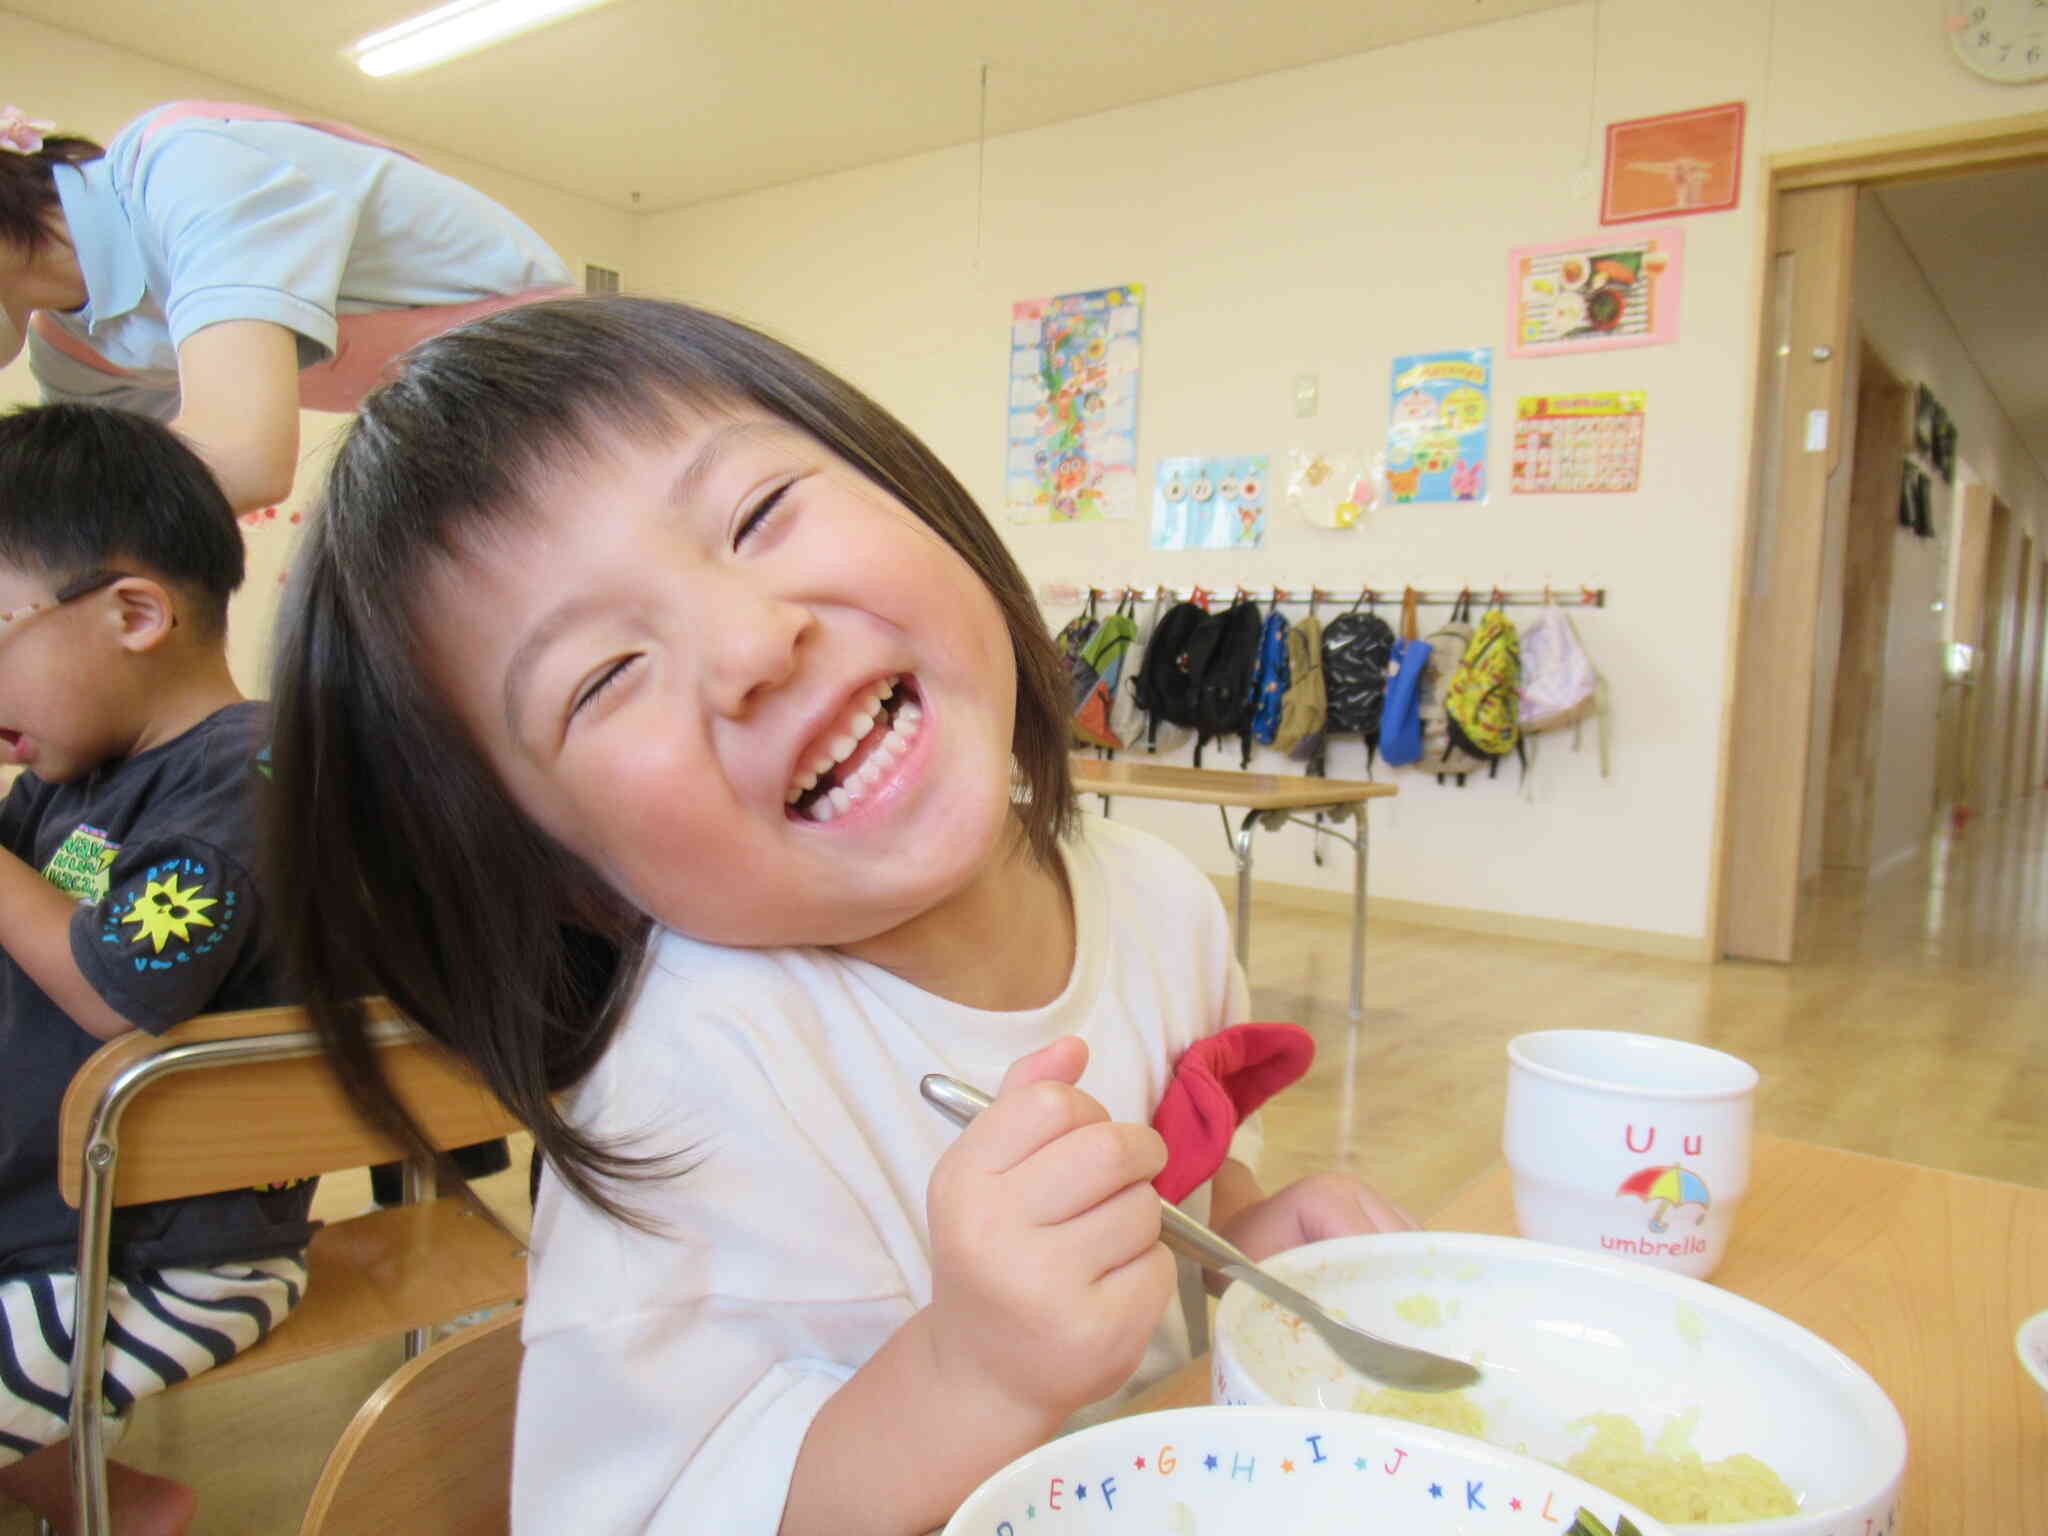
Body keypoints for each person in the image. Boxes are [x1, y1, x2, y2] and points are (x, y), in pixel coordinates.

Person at [266, 295, 1413, 1535]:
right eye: (601, 677)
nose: (753, 643)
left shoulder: (1156, 901)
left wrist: (1247, 1235)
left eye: (756, 515)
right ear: (562, 872)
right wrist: (964, 1377)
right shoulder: (688, 1099)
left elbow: (1168, 1192)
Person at [0, 403, 313, 1536]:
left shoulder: (247, 776)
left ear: (134, 613)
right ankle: (120, 1507)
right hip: (53, 1228)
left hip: (169, 1259)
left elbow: (121, 985)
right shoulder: (70, 784)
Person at [0, 99, 573, 513]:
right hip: (458, 432)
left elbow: (240, 455)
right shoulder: (72, 349)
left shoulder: (182, 165)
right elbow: (102, 515)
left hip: (569, 378)